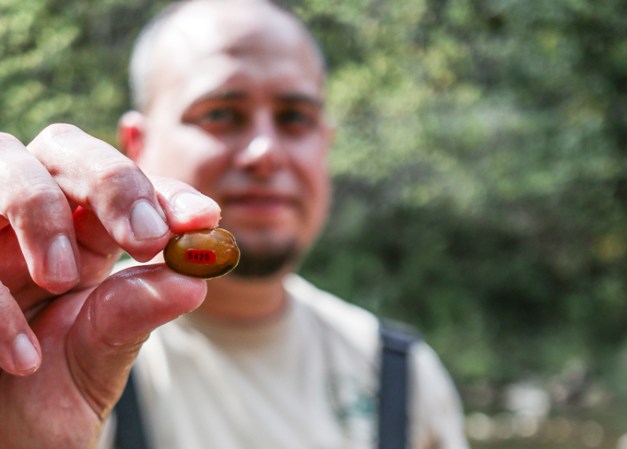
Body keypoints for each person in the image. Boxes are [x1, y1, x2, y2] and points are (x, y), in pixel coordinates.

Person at [0, 0, 470, 448]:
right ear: (136, 145)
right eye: (221, 114)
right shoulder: (53, 340)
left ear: (325, 145)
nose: (265, 152)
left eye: (294, 118)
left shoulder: (403, 375)